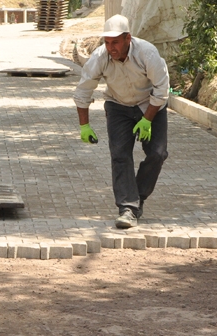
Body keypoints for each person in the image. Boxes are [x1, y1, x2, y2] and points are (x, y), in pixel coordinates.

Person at [73, 14, 169, 229]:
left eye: (115, 42)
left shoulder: (147, 53)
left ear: (128, 38)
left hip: (151, 104)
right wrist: (84, 125)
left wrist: (147, 120)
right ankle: (127, 207)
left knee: (157, 153)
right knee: (120, 155)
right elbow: (83, 92)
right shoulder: (100, 57)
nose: (111, 47)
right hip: (118, 106)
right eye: (107, 42)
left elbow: (162, 90)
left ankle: (138, 195)